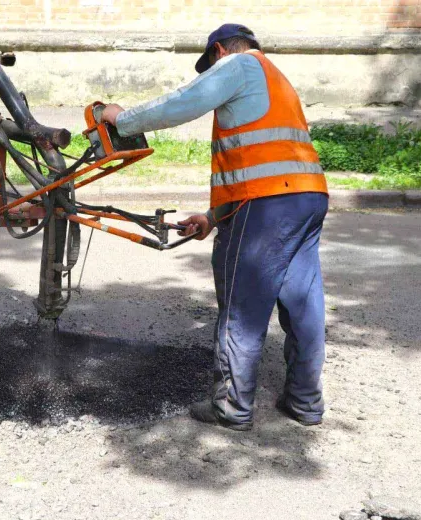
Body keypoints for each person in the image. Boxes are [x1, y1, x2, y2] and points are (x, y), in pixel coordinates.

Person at [101, 23, 329, 431]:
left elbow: (182, 102)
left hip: (266, 205)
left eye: (209, 65)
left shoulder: (238, 66)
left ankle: (232, 407)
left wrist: (123, 118)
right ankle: (305, 401)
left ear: (219, 51)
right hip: (306, 198)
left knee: (242, 305)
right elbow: (258, 157)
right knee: (303, 302)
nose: (209, 73)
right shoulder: (276, 79)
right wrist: (213, 217)